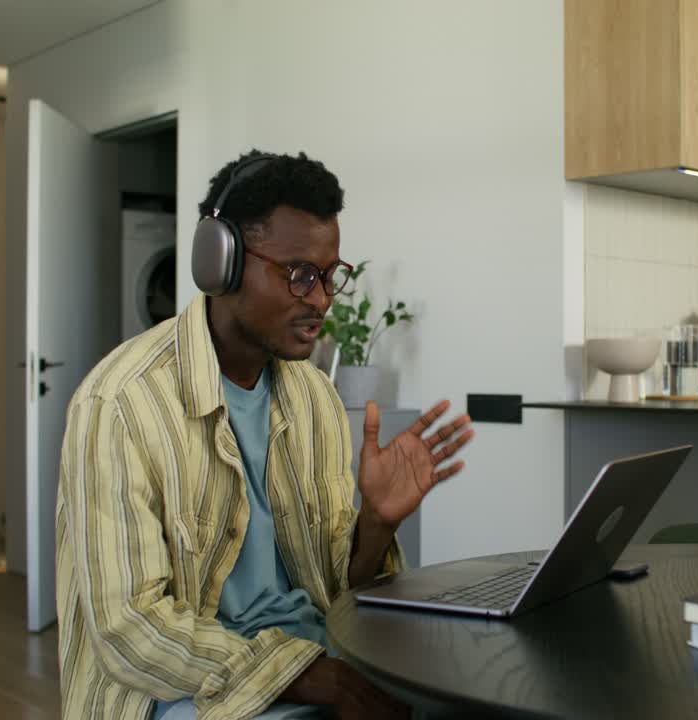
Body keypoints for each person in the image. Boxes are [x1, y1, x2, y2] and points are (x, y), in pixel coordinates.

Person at [55, 150, 475, 720]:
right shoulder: (121, 405)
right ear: (220, 262)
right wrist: (307, 677)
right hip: (174, 688)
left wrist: (377, 524)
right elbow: (131, 629)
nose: (322, 300)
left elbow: (333, 589)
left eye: (331, 277)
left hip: (311, 656)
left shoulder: (315, 398)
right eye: (301, 276)